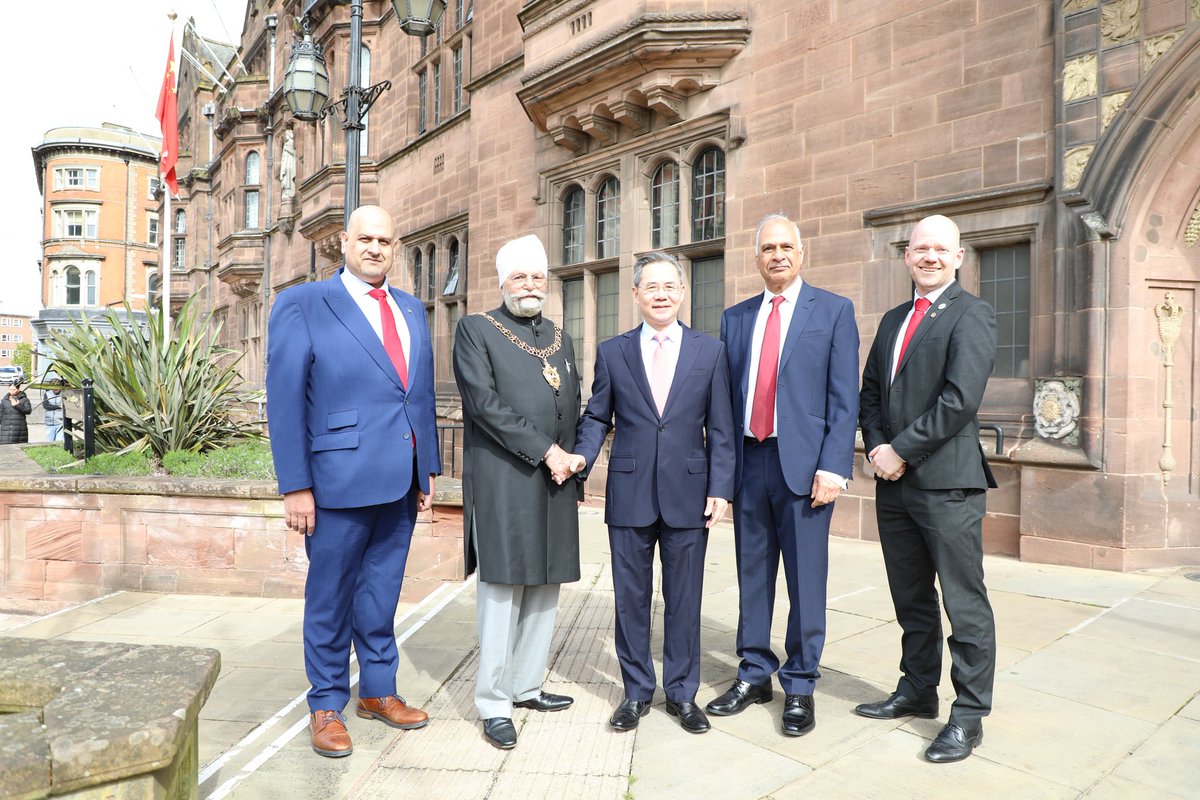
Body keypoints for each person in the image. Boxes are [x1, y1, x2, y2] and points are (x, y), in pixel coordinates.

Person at [265, 204, 441, 759]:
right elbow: (285, 399)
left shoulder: (411, 308)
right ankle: (325, 702)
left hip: (400, 481)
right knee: (331, 596)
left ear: (395, 246)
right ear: (342, 242)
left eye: (385, 240)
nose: (375, 248)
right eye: (365, 238)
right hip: (336, 481)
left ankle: (379, 691)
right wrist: (296, 485)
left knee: (382, 592)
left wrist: (426, 467)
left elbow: (420, 393)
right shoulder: (303, 304)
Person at [709, 214, 859, 737]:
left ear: (802, 252)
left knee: (805, 580)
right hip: (750, 463)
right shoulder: (735, 317)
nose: (777, 255)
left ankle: (799, 684)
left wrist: (835, 467)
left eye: (785, 247)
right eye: (767, 248)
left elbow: (845, 399)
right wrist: (720, 478)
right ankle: (754, 673)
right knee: (753, 576)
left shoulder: (834, 311)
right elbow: (724, 405)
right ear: (756, 258)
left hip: (806, 469)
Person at [856, 213, 998, 763]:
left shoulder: (972, 314)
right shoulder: (894, 319)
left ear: (958, 257)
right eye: (920, 249)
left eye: (941, 249)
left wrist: (899, 450)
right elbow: (871, 391)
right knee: (911, 598)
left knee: (965, 605)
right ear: (907, 255)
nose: (930, 257)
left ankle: (968, 717)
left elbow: (960, 401)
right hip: (893, 485)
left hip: (947, 485)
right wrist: (875, 447)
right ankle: (917, 690)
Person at [575, 252, 735, 735]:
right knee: (631, 597)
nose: (661, 295)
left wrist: (721, 488)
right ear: (636, 294)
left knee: (685, 598)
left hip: (690, 492)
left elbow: (722, 427)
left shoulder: (710, 352)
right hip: (629, 490)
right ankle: (636, 692)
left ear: (682, 293)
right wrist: (582, 457)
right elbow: (597, 415)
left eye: (670, 286)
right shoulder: (613, 351)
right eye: (652, 287)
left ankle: (682, 694)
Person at [452, 234, 583, 750]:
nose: (529, 285)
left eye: (537, 277)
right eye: (519, 277)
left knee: (546, 583)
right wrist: (548, 451)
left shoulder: (558, 336)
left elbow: (573, 401)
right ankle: (493, 701)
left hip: (555, 479)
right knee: (503, 588)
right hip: (506, 476)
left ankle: (527, 685)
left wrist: (571, 457)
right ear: (502, 281)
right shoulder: (476, 329)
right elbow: (484, 404)